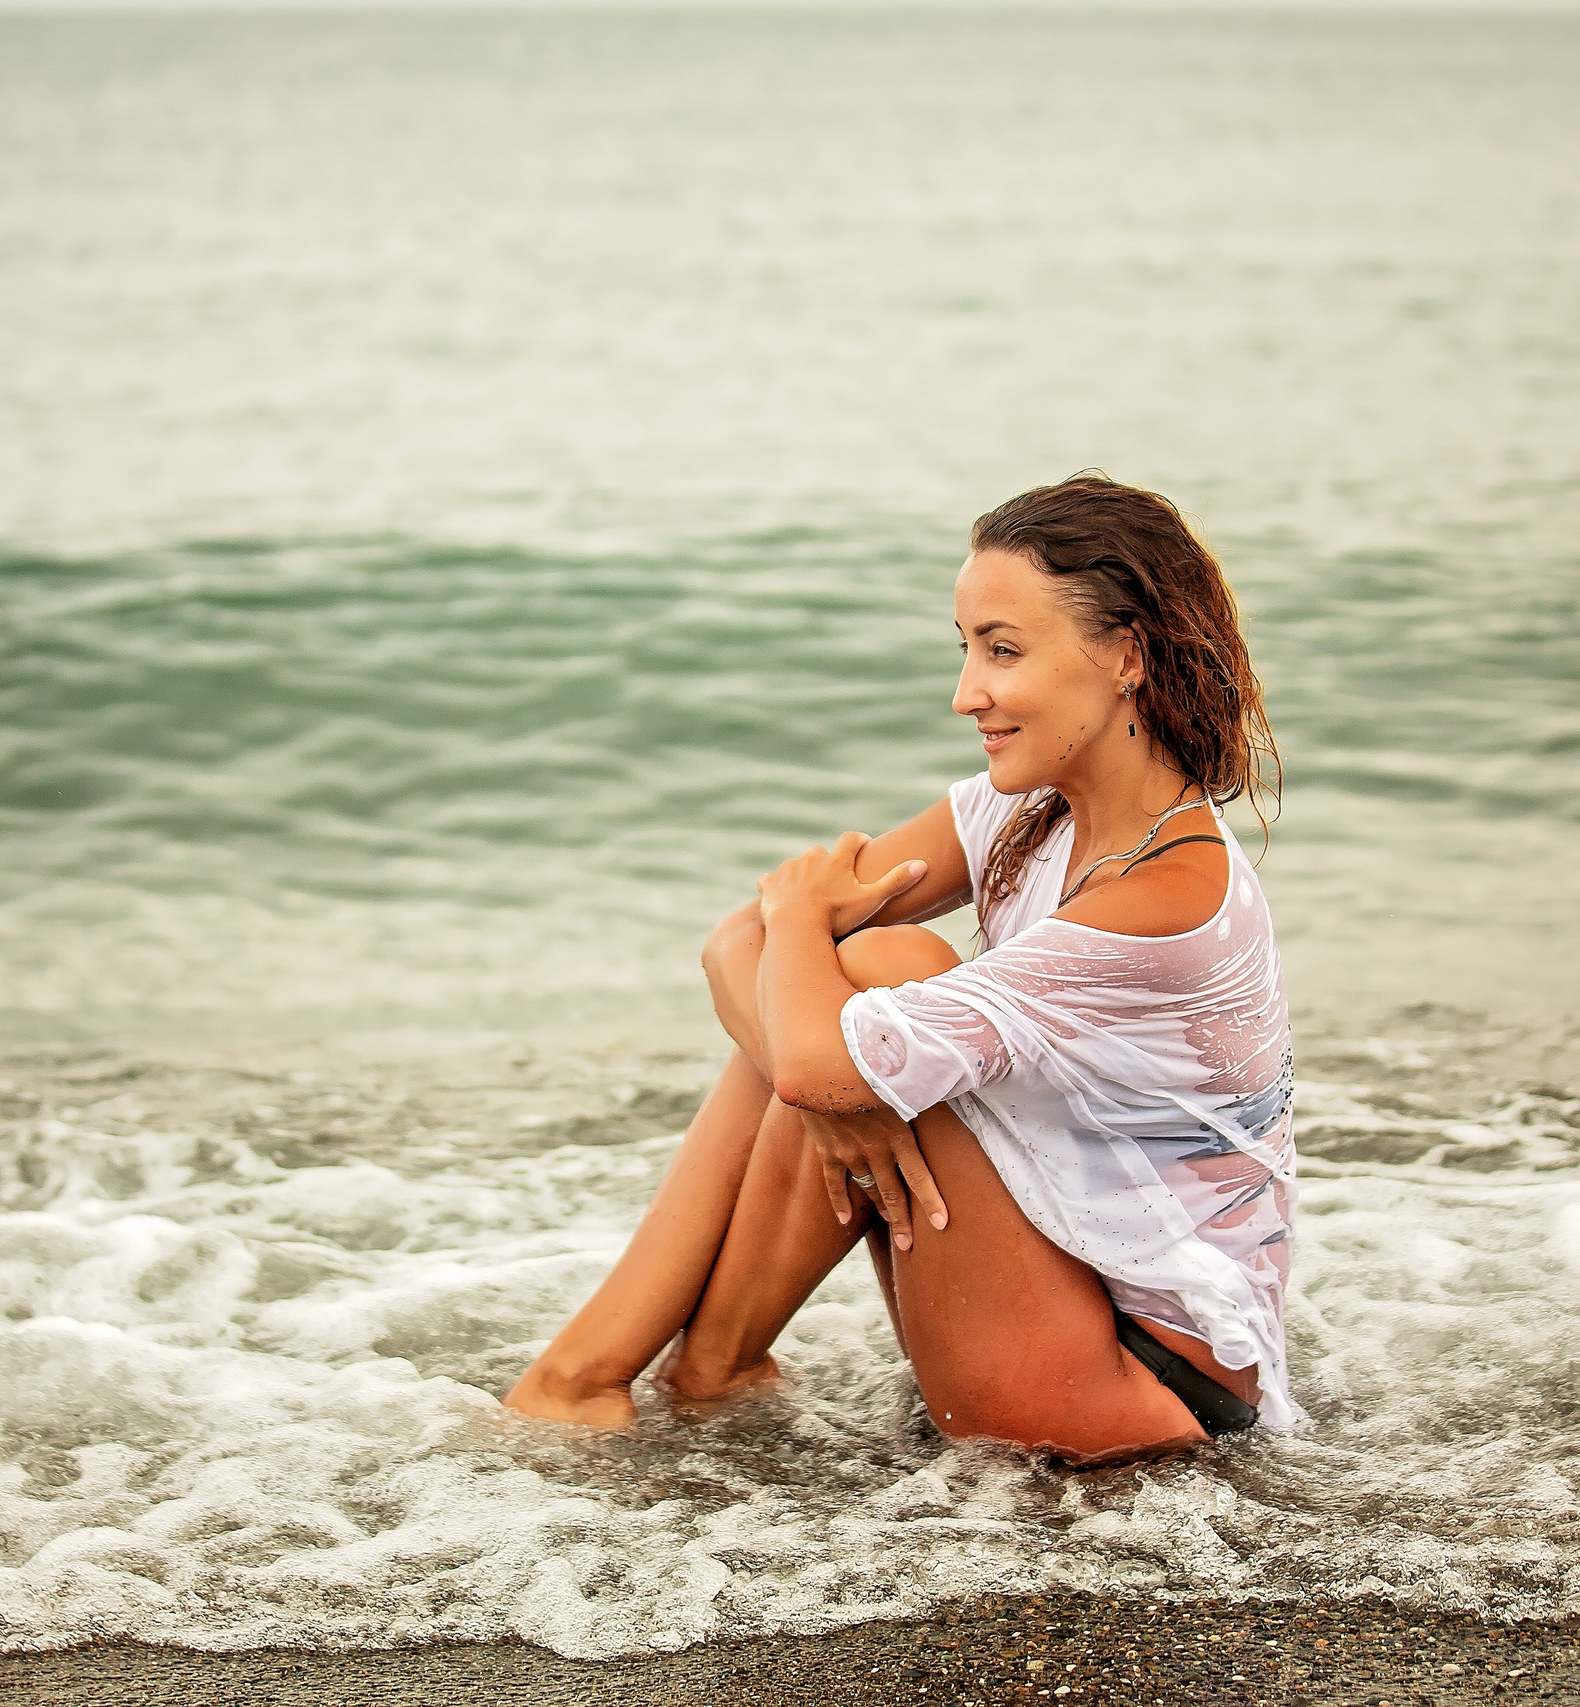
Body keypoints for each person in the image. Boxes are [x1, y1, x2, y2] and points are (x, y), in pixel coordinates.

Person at [504, 474, 1296, 1461]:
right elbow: (730, 949)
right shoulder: (1023, 810)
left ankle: (611, 1375)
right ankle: (692, 1372)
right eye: (965, 648)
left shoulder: (1168, 898)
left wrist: (806, 944)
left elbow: (804, 1045)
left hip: (1145, 1385)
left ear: (1124, 655)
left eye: (1001, 651)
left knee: (873, 987)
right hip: (1054, 1289)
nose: (967, 692)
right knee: (865, 989)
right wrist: (843, 1081)